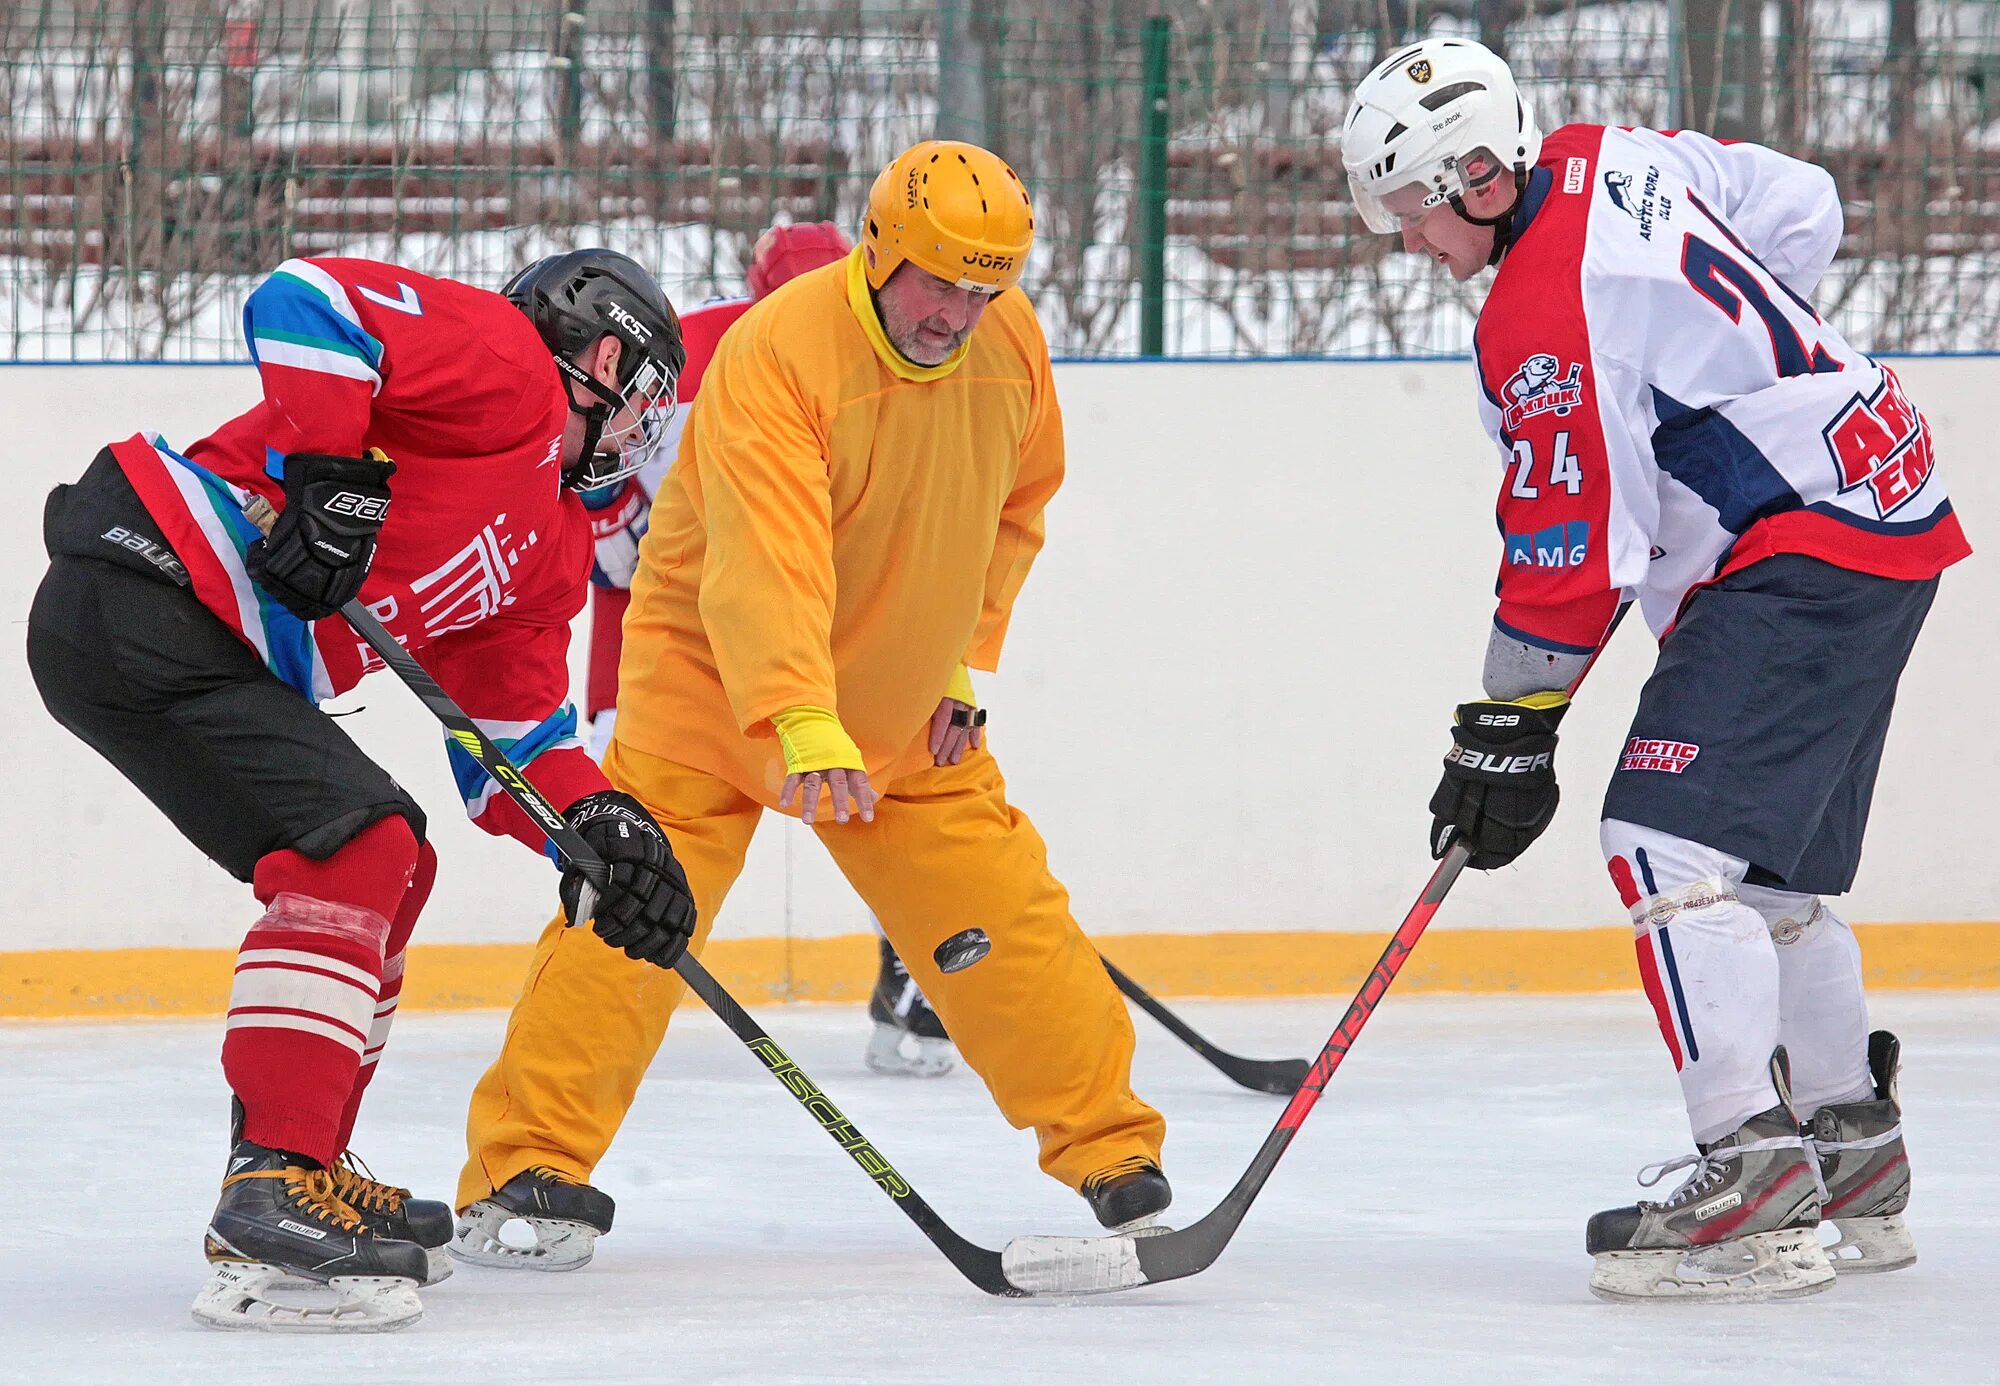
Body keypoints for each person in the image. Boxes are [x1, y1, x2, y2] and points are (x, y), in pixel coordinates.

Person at [450, 140, 1169, 1273]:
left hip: (894, 700)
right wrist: (798, 715)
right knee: (633, 909)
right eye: (939, 283)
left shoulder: (1008, 345)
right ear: (879, 249)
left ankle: (1109, 1148)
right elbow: (761, 556)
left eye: (986, 289)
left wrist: (962, 664)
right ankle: (521, 1167)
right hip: (712, 690)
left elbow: (1015, 508)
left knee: (1000, 911)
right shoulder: (779, 351)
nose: (958, 314)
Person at [1342, 38, 1964, 1302]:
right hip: (1885, 497)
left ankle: (1748, 1175)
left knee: (1661, 847)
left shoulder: (1536, 317)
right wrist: (1740, 376)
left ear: (1474, 175)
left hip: (1800, 543)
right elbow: (1802, 205)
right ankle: (1849, 1151)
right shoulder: (1610, 157)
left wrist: (1502, 731)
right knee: (1764, 873)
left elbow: (1571, 554)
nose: (1406, 240)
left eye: (1410, 208)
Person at [27, 250, 700, 1331]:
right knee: (361, 843)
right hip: (143, 581)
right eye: (646, 396)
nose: (643, 429)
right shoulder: (508, 363)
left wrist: (604, 830)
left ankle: (300, 1167)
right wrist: (326, 474)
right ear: (605, 357)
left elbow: (510, 748)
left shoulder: (554, 544)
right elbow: (309, 300)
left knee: (398, 855)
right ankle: (273, 1180)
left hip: (188, 642)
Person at [579, 221, 955, 1078]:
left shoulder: (876, 362)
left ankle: (909, 982)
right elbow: (596, 462)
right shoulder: (695, 354)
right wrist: (627, 537)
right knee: (636, 818)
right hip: (671, 631)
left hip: (797, 623)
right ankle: (602, 1003)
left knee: (889, 796)